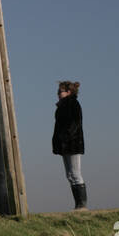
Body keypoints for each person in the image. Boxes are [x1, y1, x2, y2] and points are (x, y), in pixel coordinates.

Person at [52, 80, 87, 210]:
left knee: (76, 174)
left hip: (73, 144)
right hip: (65, 145)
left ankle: (82, 205)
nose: (58, 94)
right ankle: (78, 205)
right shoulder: (62, 106)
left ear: (69, 92)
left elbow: (75, 123)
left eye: (60, 91)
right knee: (70, 175)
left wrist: (66, 137)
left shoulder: (73, 104)